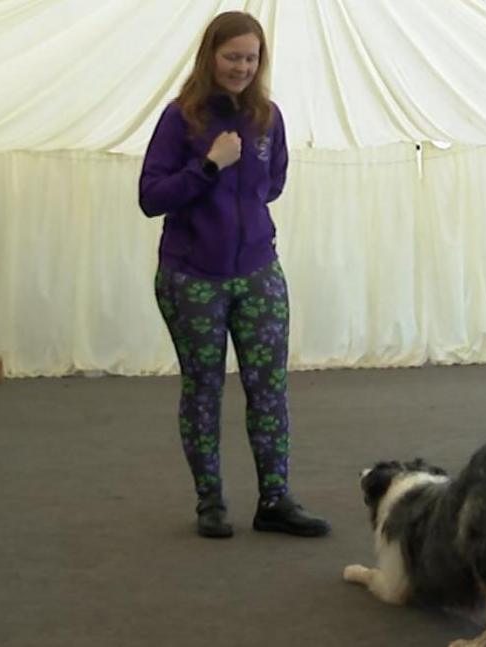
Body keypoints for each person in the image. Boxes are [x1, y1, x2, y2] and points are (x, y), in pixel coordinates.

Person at [138, 11, 329, 539]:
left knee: (269, 388)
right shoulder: (182, 119)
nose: (242, 67)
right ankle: (210, 503)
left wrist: (242, 221)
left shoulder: (269, 118)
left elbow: (272, 184)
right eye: (232, 57)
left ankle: (275, 500)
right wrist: (209, 168)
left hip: (258, 272)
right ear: (210, 57)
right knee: (203, 388)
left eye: (251, 58)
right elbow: (151, 197)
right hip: (191, 276)